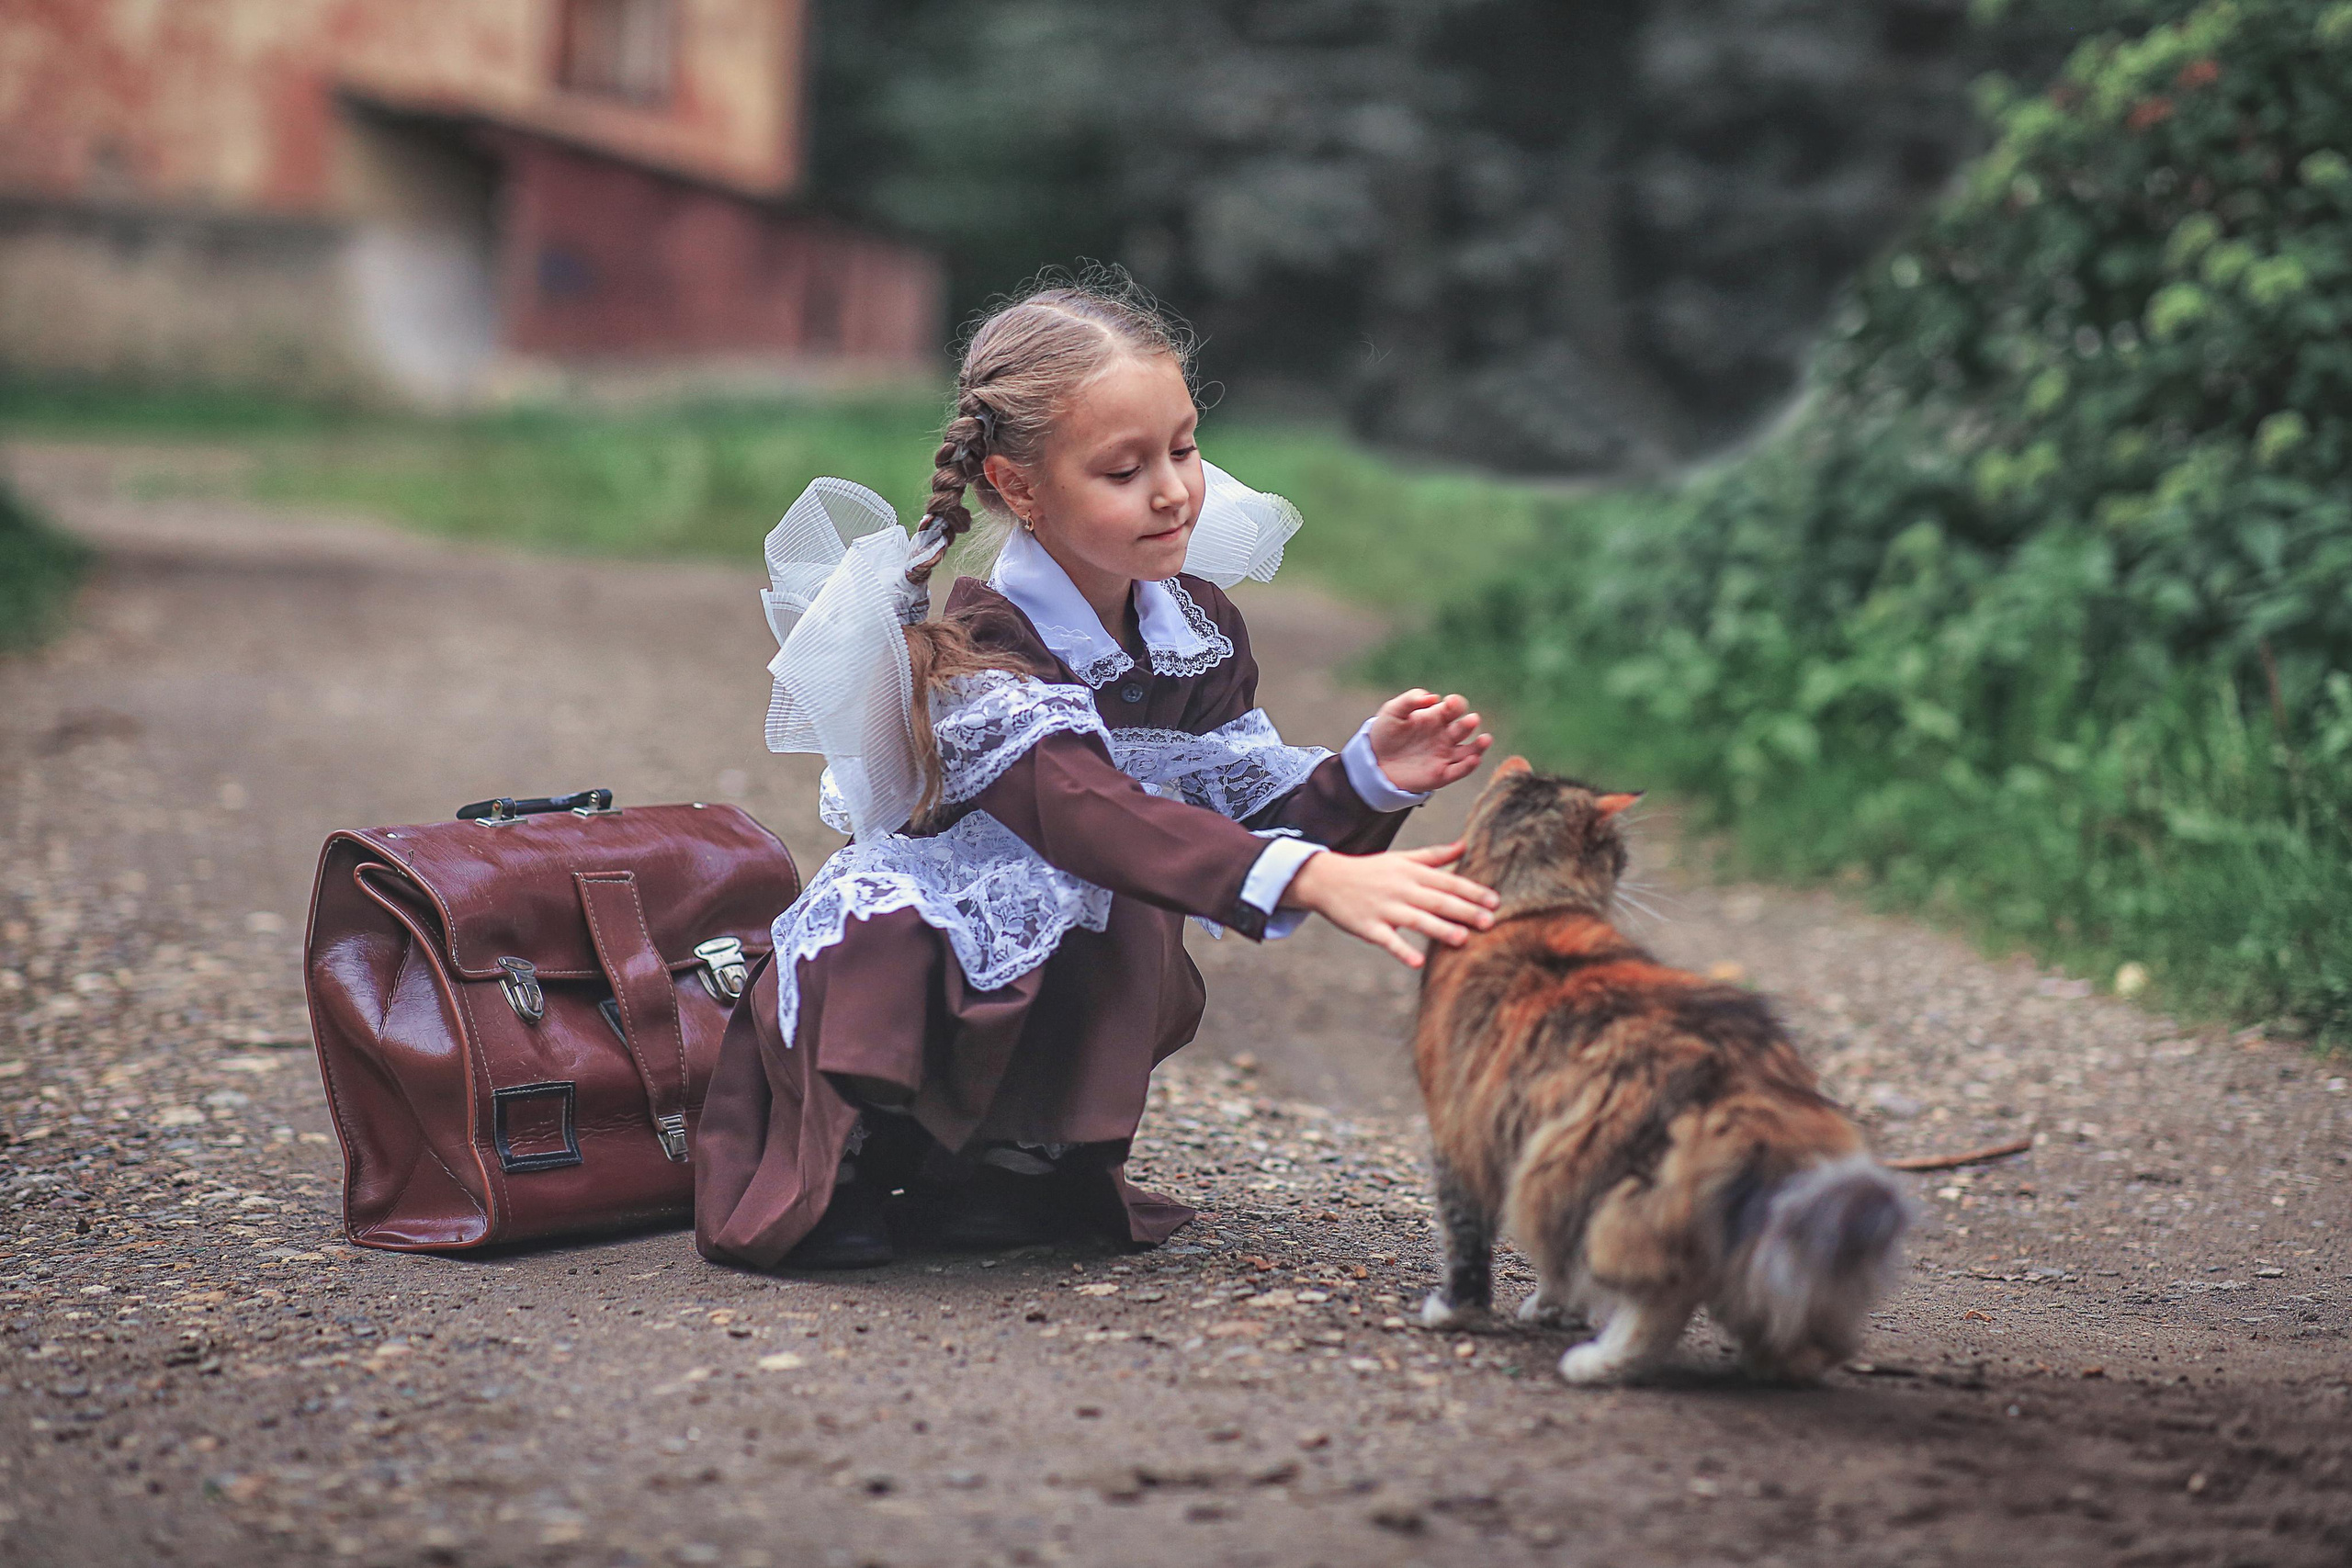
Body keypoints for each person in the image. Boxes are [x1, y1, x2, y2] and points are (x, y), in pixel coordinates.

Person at [694, 275, 1496, 1269]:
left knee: (1127, 900)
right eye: (1123, 471)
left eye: (1184, 448)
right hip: (934, 941)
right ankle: (853, 1154)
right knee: (921, 925)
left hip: (1077, 913)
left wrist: (1369, 779)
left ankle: (1010, 1160)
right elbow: (1091, 813)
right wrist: (1310, 879)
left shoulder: (1193, 627)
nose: (1172, 490)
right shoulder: (975, 645)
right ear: (1019, 487)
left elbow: (1224, 803)